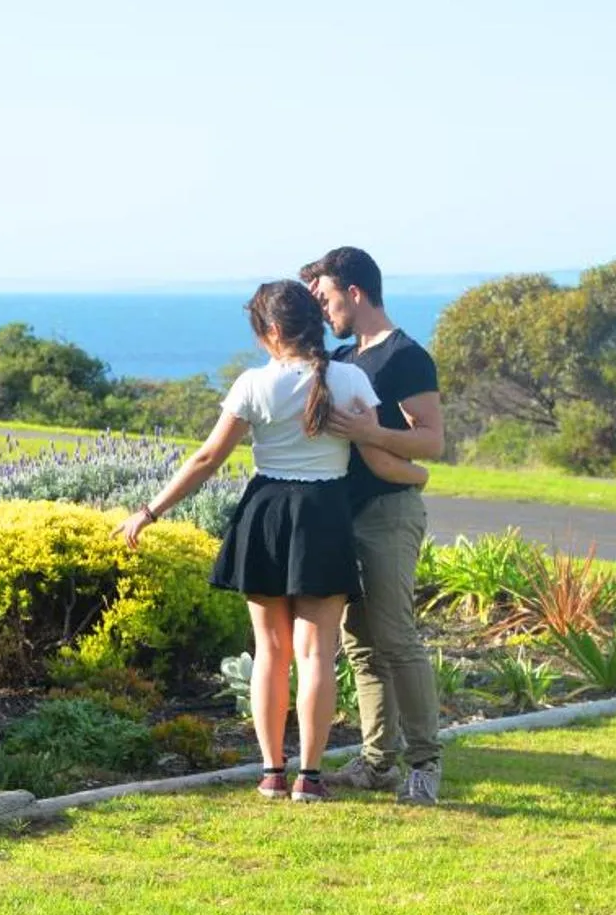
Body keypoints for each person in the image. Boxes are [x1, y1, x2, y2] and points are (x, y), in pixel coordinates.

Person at [118, 281, 419, 803]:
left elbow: (206, 459)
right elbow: (374, 455)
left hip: (266, 515)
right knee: (317, 653)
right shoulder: (349, 379)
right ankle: (311, 777)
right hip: (324, 516)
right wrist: (416, 474)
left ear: (274, 331)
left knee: (270, 651)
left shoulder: (253, 384)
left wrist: (148, 512)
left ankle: (272, 774)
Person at [302, 246, 448, 806]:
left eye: (327, 297)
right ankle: (376, 762)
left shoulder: (407, 356)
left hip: (390, 513)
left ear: (355, 293)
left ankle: (424, 765)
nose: (323, 310)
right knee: (359, 643)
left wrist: (371, 434)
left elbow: (431, 440)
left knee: (395, 637)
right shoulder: (343, 356)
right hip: (345, 514)